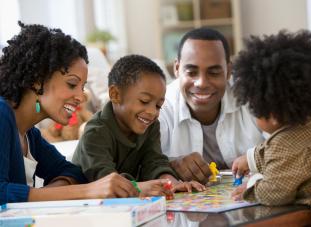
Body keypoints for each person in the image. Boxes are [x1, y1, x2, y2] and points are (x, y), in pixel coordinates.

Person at [0, 22, 146, 204]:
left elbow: (72, 172)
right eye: (71, 84)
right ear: (37, 80)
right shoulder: (2, 114)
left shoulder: (29, 134)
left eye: (83, 87)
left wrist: (53, 193)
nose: (81, 96)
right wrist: (86, 191)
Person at [230, 30, 311, 221]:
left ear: (271, 115)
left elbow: (275, 194)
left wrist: (251, 186)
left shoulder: (284, 148)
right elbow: (281, 151)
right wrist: (250, 158)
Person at [72, 54, 205, 196]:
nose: (153, 112)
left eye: (158, 106)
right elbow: (107, 181)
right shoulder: (95, 133)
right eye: (144, 101)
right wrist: (141, 187)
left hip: (127, 205)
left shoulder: (151, 126)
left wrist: (172, 183)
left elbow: (154, 162)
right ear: (115, 94)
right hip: (88, 209)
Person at [159, 28, 264, 184]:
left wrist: (257, 157)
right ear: (176, 68)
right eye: (191, 72)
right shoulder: (160, 106)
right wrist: (172, 164)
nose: (201, 83)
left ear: (228, 71)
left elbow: (289, 143)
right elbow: (141, 164)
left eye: (213, 73)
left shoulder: (252, 96)